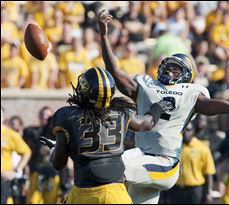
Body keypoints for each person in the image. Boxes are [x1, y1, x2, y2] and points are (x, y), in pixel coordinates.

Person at [98, 10, 229, 204]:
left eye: (176, 69)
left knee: (107, 168)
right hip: (142, 156)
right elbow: (114, 70)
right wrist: (104, 36)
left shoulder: (191, 94)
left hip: (164, 162)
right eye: (168, 66)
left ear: (186, 76)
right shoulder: (146, 85)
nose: (170, 70)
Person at [40, 66, 174, 204]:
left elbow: (58, 163)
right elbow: (146, 123)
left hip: (82, 193)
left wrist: (55, 149)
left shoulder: (67, 115)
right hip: (114, 194)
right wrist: (160, 106)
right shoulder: (122, 112)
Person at [166, 122, 216, 204]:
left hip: (194, 190)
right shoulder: (174, 147)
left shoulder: (202, 148)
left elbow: (208, 173)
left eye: (188, 130)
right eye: (183, 130)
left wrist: (208, 193)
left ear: (193, 131)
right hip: (176, 190)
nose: (185, 133)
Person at [23, 106, 60, 204]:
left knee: (51, 201)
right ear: (39, 116)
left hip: (53, 174)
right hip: (36, 172)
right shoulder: (32, 132)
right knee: (33, 201)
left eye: (48, 116)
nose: (45, 117)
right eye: (43, 114)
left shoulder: (58, 134)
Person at [1, 106, 31, 204]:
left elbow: (27, 152)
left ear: (3, 117)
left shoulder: (11, 134)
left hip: (3, 178)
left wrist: (16, 171)